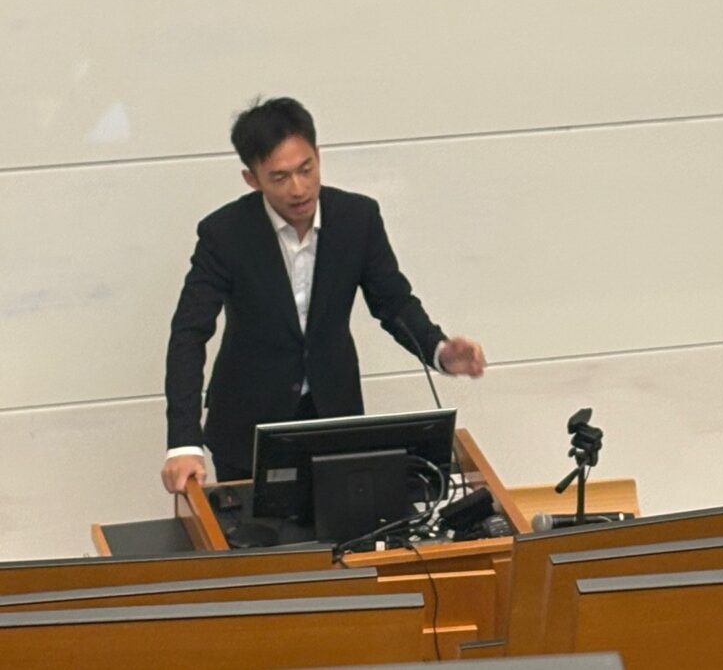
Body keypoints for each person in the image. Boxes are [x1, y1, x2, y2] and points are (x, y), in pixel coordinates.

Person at [161, 97, 485, 493]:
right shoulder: (224, 234)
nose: (298, 189)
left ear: (318, 157)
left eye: (306, 169)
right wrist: (183, 441)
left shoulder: (357, 218)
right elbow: (188, 334)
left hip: (334, 416)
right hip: (247, 425)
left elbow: (393, 302)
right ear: (252, 178)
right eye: (279, 177)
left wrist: (439, 350)